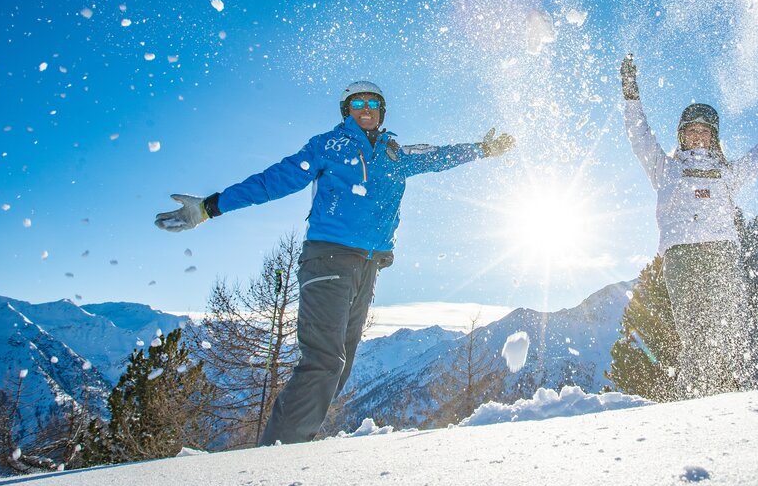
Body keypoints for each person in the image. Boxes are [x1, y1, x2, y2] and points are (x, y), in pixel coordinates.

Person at [154, 80, 515, 445]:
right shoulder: (328, 146)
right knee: (324, 360)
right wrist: (208, 207)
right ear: (347, 111)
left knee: (338, 366)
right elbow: (272, 182)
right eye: (357, 102)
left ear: (382, 111)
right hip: (328, 259)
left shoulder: (394, 153)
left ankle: (290, 445)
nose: (366, 108)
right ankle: (278, 455)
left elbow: (437, 157)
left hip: (369, 266)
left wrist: (483, 149)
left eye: (373, 102)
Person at [619, 55, 758, 398]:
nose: (699, 137)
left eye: (705, 131)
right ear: (682, 137)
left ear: (714, 138)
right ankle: (697, 407)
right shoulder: (665, 169)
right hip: (682, 259)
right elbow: (638, 134)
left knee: (740, 332)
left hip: (721, 255)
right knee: (696, 337)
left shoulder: (726, 174)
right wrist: (630, 91)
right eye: (692, 131)